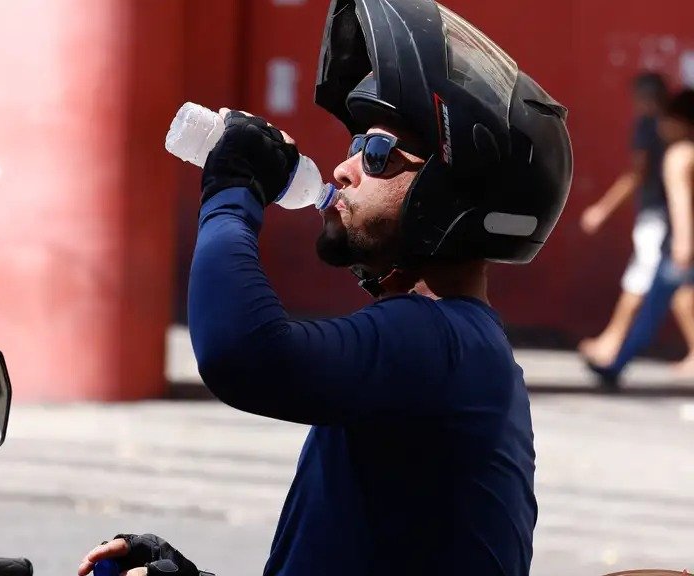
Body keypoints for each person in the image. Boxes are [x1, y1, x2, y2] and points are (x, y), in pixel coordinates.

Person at [79, 0, 572, 574]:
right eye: (355, 146)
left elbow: (242, 354)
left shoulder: (442, 340)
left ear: (450, 194)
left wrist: (232, 190)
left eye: (377, 153)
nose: (343, 168)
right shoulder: (452, 349)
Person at [578, 73, 694, 372]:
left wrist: (683, 245)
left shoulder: (677, 155)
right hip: (674, 241)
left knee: (648, 299)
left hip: (673, 241)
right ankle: (616, 360)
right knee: (667, 299)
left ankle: (615, 359)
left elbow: (677, 202)